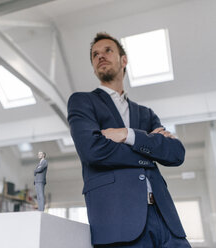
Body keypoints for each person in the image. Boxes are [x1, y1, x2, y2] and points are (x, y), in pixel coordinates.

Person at [67, 32, 191, 247]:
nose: (100, 56)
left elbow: (176, 153)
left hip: (167, 223)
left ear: (123, 60)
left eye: (108, 50)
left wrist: (128, 135)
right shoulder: (82, 102)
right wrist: (149, 149)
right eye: (95, 54)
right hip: (118, 222)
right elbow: (93, 151)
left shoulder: (146, 114)